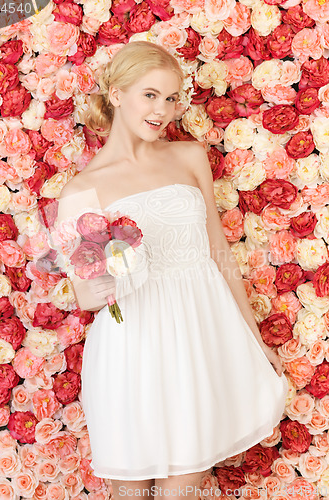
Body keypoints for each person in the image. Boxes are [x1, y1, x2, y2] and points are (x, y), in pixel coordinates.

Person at [56, 41, 289, 500]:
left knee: (182, 488)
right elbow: (85, 295)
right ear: (117, 94)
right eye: (150, 95)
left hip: (199, 335)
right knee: (130, 488)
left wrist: (254, 338)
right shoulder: (82, 190)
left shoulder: (189, 156)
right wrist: (110, 269)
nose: (162, 110)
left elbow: (219, 253)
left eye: (171, 98)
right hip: (132, 345)